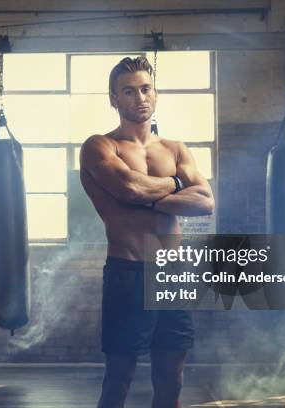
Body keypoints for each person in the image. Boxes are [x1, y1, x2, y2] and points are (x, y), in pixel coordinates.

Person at [80, 57, 215, 408]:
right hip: (129, 271)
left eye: (145, 89)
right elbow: (129, 189)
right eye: (128, 91)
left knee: (171, 379)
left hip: (172, 272)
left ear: (155, 94)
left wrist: (152, 199)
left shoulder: (175, 149)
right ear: (114, 99)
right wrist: (174, 184)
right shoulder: (100, 146)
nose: (139, 97)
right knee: (119, 379)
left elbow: (205, 201)